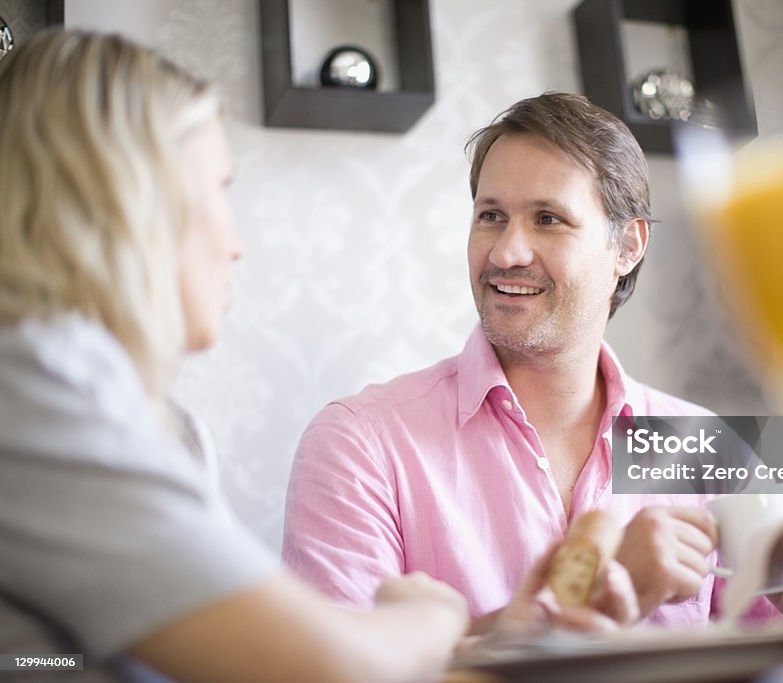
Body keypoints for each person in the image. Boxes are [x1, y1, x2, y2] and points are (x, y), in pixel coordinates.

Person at [0, 29, 477, 683]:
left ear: (628, 247)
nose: (236, 243)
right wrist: (435, 615)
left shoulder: (663, 423)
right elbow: (325, 664)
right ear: (129, 199)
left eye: (552, 219)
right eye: (219, 188)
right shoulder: (31, 381)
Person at [283, 93, 783, 632]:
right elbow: (335, 669)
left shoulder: (716, 450)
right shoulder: (359, 444)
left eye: (548, 219)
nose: (505, 253)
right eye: (491, 216)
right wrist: (564, 615)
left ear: (627, 247)